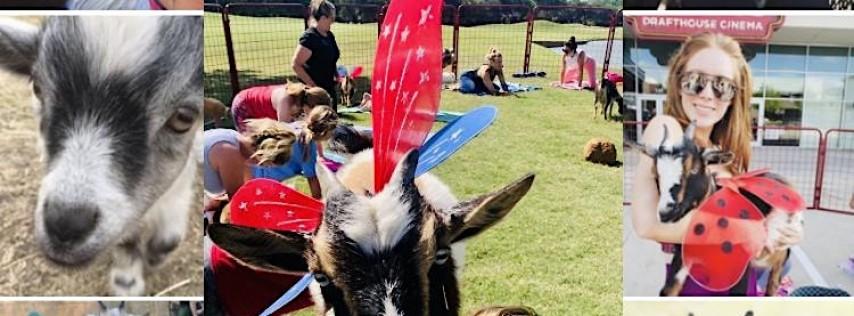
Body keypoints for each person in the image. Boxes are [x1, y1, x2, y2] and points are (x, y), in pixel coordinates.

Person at [630, 32, 803, 296]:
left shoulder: (723, 153)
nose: (708, 95)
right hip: (697, 295)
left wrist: (786, 224)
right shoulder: (667, 128)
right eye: (695, 81)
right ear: (678, 83)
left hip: (744, 290)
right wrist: (756, 229)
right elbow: (649, 225)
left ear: (734, 96)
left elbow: (752, 226)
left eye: (722, 86)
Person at [251, 105, 339, 199]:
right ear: (326, 132)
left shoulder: (298, 126)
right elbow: (312, 179)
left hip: (257, 168)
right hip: (269, 180)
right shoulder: (308, 146)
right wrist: (318, 202)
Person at [292, 0, 341, 111]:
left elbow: (331, 58)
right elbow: (296, 64)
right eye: (331, 19)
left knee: (331, 121)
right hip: (314, 95)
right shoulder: (310, 37)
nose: (333, 22)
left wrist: (337, 75)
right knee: (317, 124)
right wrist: (313, 86)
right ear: (323, 18)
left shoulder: (329, 35)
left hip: (329, 89)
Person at [230, 82, 331, 133]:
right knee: (251, 142)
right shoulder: (285, 101)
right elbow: (284, 131)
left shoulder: (302, 97)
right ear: (308, 106)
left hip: (261, 109)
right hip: (243, 105)